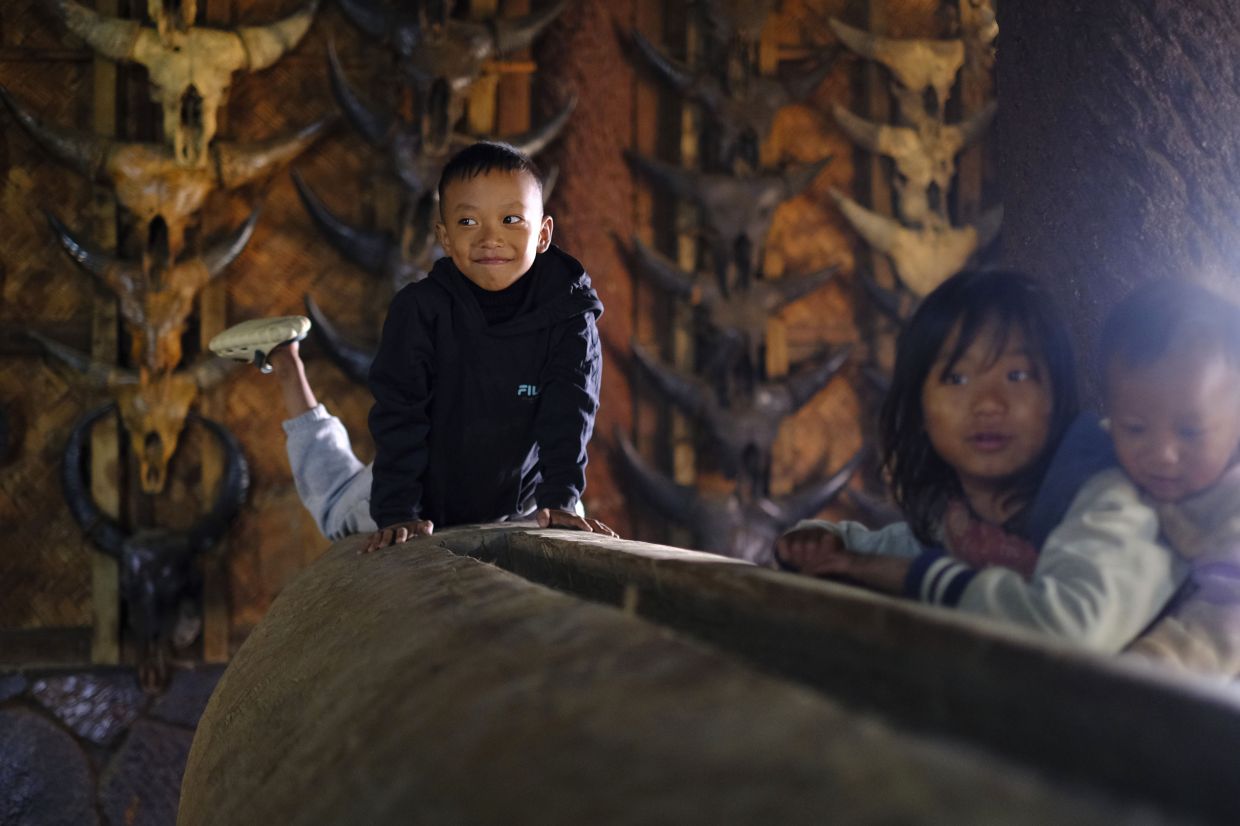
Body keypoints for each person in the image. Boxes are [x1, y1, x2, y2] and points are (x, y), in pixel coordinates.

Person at [775, 269, 1187, 652]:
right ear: (920, 410)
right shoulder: (958, 518)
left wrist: (901, 575)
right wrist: (817, 543)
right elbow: (892, 549)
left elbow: (1070, 631)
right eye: (956, 378)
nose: (989, 404)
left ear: (1057, 396)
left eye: (1017, 375)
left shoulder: (1114, 493)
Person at [366, 141, 614, 551]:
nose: (490, 238)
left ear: (543, 234)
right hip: (413, 497)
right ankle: (288, 361)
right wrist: (396, 512)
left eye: (511, 219)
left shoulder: (570, 316)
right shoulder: (419, 310)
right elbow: (399, 415)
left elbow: (570, 413)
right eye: (467, 222)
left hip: (521, 502)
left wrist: (561, 499)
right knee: (337, 505)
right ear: (444, 237)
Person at [1101, 281, 1240, 678]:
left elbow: (1226, 620)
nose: (1162, 454)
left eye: (1191, 432)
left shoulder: (1233, 507)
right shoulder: (1101, 456)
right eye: (1135, 428)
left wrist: (1150, 663)